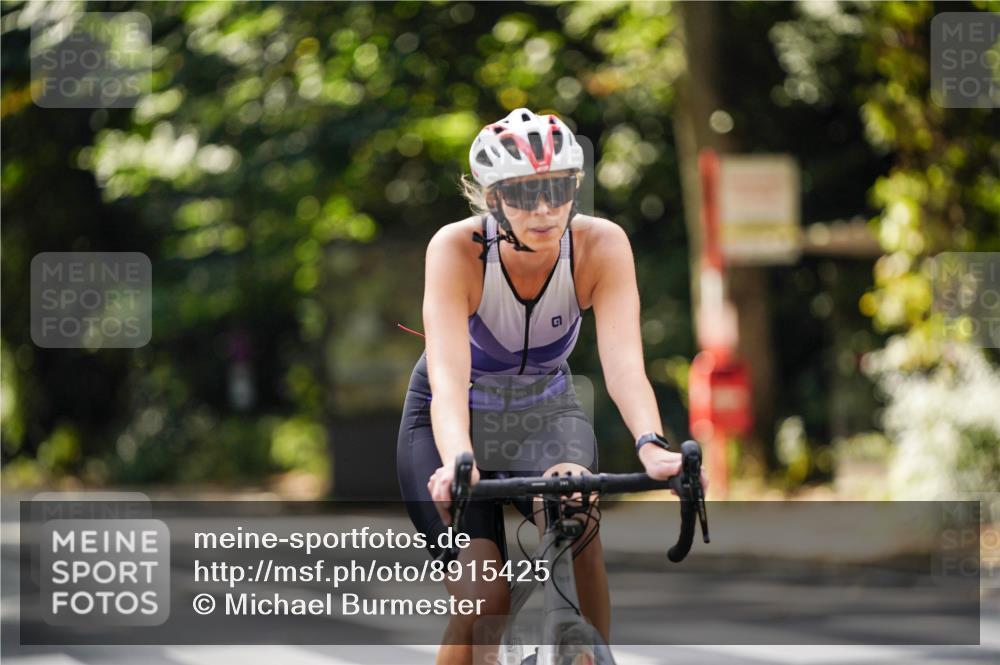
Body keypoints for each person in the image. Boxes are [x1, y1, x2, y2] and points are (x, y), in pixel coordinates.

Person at [396, 108, 706, 665]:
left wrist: (651, 446)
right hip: (451, 419)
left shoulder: (600, 245)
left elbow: (624, 365)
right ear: (492, 200)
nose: (543, 209)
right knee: (484, 599)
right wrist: (457, 461)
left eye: (558, 189)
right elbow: (447, 379)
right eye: (522, 194)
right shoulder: (455, 249)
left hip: (546, 411)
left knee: (578, 516)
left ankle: (593, 655)